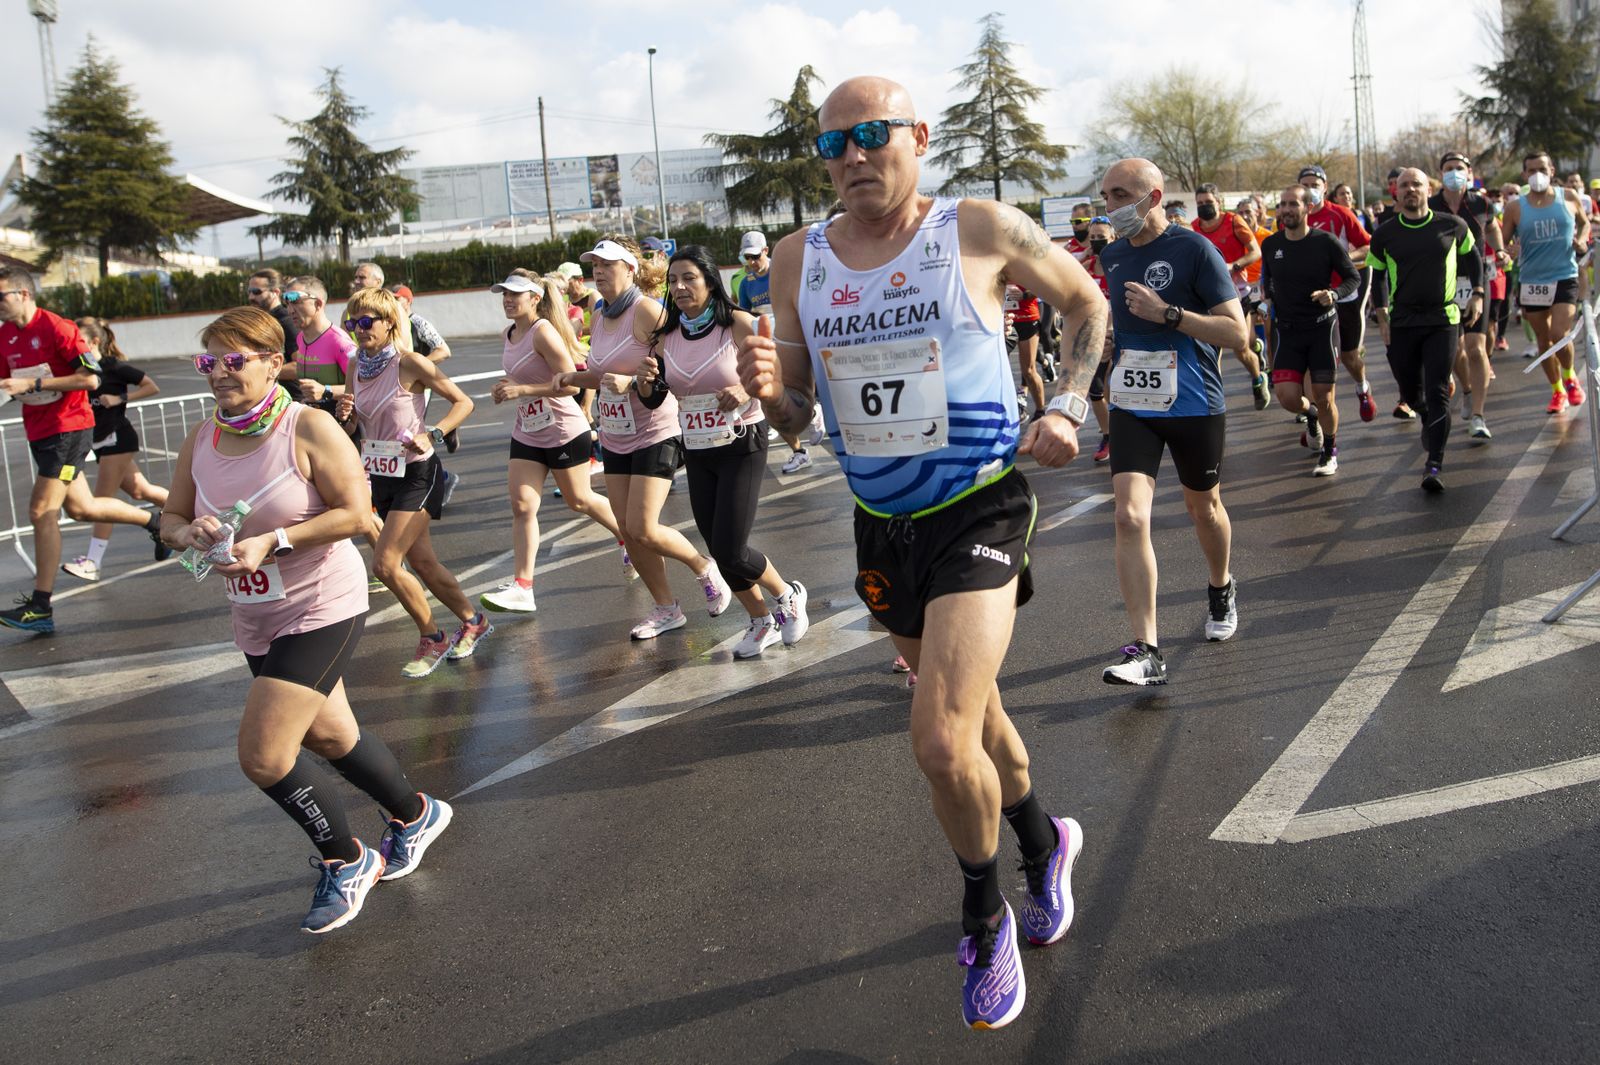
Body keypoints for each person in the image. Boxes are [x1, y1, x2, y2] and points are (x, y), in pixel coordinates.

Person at [736, 76, 1106, 1030]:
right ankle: (1045, 843)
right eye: (834, 143)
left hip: (979, 507)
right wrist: (768, 389)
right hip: (880, 524)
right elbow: (798, 414)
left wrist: (1069, 403)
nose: (854, 155)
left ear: (918, 136)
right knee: (975, 718)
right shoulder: (799, 258)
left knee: (940, 737)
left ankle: (984, 915)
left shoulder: (976, 228)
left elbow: (1087, 303)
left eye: (872, 133)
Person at [161, 305, 451, 934]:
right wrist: (191, 533)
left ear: (274, 363)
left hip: (322, 603)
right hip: (254, 613)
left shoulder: (309, 426)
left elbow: (358, 515)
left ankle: (347, 860)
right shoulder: (202, 437)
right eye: (208, 360)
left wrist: (275, 540)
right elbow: (170, 520)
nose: (218, 373)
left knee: (265, 756)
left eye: (233, 360)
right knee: (330, 736)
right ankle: (416, 814)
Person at [1096, 158, 1250, 685]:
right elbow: (1121, 322)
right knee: (1128, 516)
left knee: (1203, 509)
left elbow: (1237, 333)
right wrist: (1111, 342)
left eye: (1121, 195)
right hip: (1133, 404)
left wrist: (1169, 314)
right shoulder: (1113, 255)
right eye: (1106, 196)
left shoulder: (1195, 250)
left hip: (1193, 402)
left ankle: (1221, 585)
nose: (1110, 207)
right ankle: (1147, 651)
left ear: (1153, 197)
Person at [635, 245, 810, 658]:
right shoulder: (666, 338)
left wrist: (746, 388)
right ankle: (761, 620)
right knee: (718, 547)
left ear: (711, 283)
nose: (679, 287)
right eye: (673, 280)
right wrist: (644, 380)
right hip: (697, 448)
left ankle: (787, 594)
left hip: (742, 442)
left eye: (689, 278)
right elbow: (653, 398)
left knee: (731, 548)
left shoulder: (737, 324)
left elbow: (777, 370)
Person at [554, 236, 733, 640]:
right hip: (616, 434)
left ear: (630, 270)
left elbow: (678, 365)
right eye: (594, 265)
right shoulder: (599, 314)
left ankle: (703, 566)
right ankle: (667, 608)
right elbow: (605, 375)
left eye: (607, 265)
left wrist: (634, 384)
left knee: (644, 527)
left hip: (656, 430)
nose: (598, 272)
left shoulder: (647, 310)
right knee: (626, 528)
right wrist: (573, 378)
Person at [332, 287, 491, 677]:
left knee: (386, 565)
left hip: (419, 473)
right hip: (383, 474)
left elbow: (464, 402)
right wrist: (345, 416)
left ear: (389, 322)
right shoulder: (354, 365)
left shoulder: (410, 362)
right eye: (353, 323)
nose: (359, 329)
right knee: (423, 562)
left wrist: (433, 433)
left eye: (367, 321)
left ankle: (432, 637)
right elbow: (354, 425)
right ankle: (473, 621)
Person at [0, 267, 168, 634]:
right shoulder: (5, 336)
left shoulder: (58, 328)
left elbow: (90, 378)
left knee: (41, 511)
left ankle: (41, 606)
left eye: (1, 296)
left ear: (23, 294)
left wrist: (34, 383)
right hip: (39, 431)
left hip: (69, 430)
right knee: (81, 508)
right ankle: (155, 522)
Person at [481, 270, 630, 612]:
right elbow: (520, 377)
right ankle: (523, 587)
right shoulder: (508, 333)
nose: (508, 299)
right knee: (522, 505)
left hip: (562, 428)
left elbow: (573, 384)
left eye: (515, 294)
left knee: (579, 500)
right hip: (528, 429)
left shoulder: (543, 332)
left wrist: (523, 389)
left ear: (535, 298)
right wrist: (505, 388)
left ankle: (629, 539)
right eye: (504, 294)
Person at [1367, 167, 1482, 493]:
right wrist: (1382, 315)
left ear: (1427, 189)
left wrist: (1478, 294)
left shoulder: (1451, 225)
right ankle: (1426, 416)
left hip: (1442, 319)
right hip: (1402, 320)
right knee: (1410, 392)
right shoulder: (1385, 233)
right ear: (1397, 192)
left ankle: (1434, 463)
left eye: (1416, 184)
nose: (1410, 189)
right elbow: (1378, 277)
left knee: (1438, 390)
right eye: (1404, 185)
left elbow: (1473, 258)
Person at [60, 318, 170, 581]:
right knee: (141, 490)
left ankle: (93, 562)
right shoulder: (81, 371)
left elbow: (151, 386)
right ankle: (200, 511)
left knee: (101, 501)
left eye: (80, 340)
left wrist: (120, 398)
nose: (75, 346)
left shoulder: (113, 367)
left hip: (118, 438)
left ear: (95, 342)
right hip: (98, 442)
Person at [1260, 186, 1360, 476]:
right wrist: (1267, 300)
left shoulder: (1325, 242)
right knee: (1287, 398)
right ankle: (1311, 414)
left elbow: (1352, 278)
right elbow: (1269, 280)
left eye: (1293, 204)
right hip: (1288, 331)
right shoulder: (1271, 244)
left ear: (1308, 208)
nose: (1286, 210)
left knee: (1324, 396)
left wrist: (1334, 294)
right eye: (1282, 204)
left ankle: (1330, 451)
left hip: (1321, 329)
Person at [1504, 151, 1589, 414]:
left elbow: (1584, 224)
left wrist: (1581, 240)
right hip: (1532, 280)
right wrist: (1509, 250)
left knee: (1559, 334)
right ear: (1524, 174)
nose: (1537, 174)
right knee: (1543, 341)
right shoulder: (1515, 208)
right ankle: (1557, 390)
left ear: (1552, 171)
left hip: (1564, 275)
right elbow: (1504, 241)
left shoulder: (1569, 197)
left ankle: (1570, 377)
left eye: (1542, 169)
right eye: (1531, 170)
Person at [1430, 152, 1506, 441]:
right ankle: (1467, 389)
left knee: (1476, 348)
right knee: (1455, 350)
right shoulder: (1431, 205)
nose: (1454, 173)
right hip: (1443, 283)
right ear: (1441, 173)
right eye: (1448, 168)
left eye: (1459, 168)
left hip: (1476, 281)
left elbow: (1493, 228)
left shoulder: (1480, 203)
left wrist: (1500, 250)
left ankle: (1478, 416)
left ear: (1469, 172)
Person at [1299, 165, 1379, 423]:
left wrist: (1343, 257)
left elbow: (1368, 246)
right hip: (1310, 299)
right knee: (1312, 361)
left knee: (1349, 356)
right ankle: (1316, 419)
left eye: (1314, 185)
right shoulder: (1293, 216)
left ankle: (1362, 388)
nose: (1310, 189)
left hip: (1342, 294)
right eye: (1305, 185)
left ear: (1325, 187)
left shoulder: (1341, 214)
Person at [1192, 183, 1270, 409]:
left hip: (1236, 293)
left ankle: (1258, 378)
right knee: (1210, 348)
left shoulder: (1234, 221)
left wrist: (1233, 266)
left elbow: (1255, 251)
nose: (1204, 206)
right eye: (1200, 203)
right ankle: (1213, 402)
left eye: (1208, 202)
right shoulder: (1194, 227)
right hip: (1207, 295)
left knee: (1241, 347)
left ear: (1219, 202)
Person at [280, 276, 355, 405]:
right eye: (287, 304)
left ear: (318, 304)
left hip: (339, 417)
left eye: (296, 302)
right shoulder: (300, 338)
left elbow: (365, 387)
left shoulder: (339, 341)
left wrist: (326, 391)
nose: (290, 310)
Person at [246, 268, 298, 357]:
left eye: (256, 292)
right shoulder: (258, 319)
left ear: (275, 292)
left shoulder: (286, 321)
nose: (251, 297)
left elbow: (298, 363)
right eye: (249, 292)